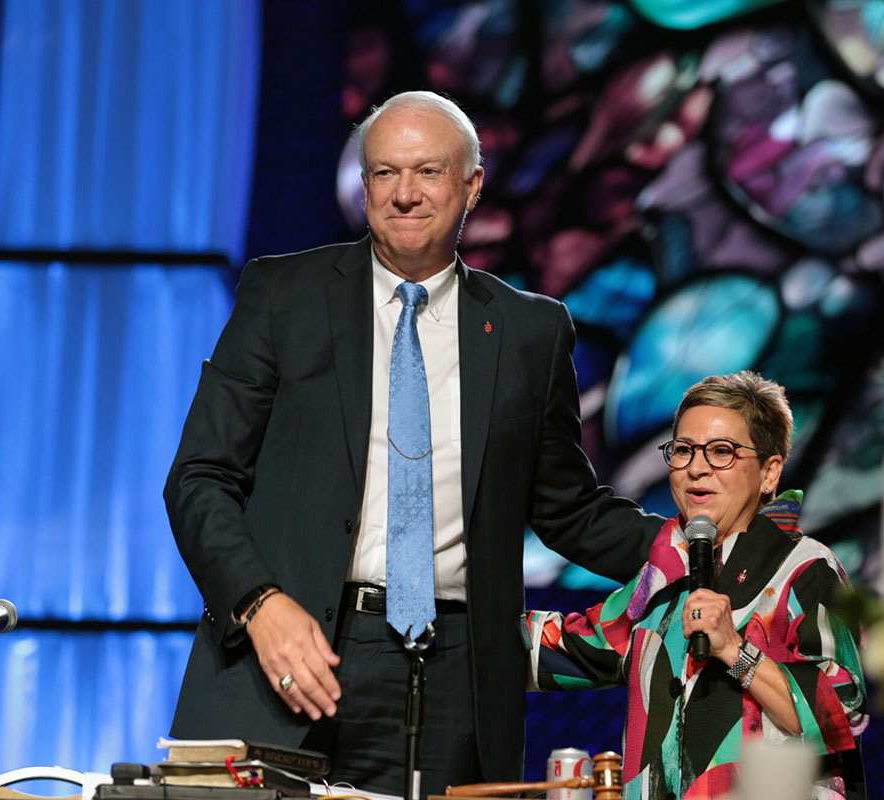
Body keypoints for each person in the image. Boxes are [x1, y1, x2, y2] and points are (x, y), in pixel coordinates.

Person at [164, 90, 663, 796]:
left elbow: (569, 512)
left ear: (471, 186)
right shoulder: (284, 296)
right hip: (286, 656)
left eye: (427, 172)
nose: (403, 194)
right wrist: (258, 603)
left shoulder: (529, 332)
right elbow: (198, 478)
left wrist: (704, 550)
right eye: (383, 173)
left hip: (454, 677)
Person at [526, 372, 867, 799]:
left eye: (721, 451)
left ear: (769, 471)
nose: (696, 468)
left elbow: (844, 713)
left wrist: (734, 651)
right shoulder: (662, 577)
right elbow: (565, 650)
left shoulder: (805, 569)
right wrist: (452, 612)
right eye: (683, 451)